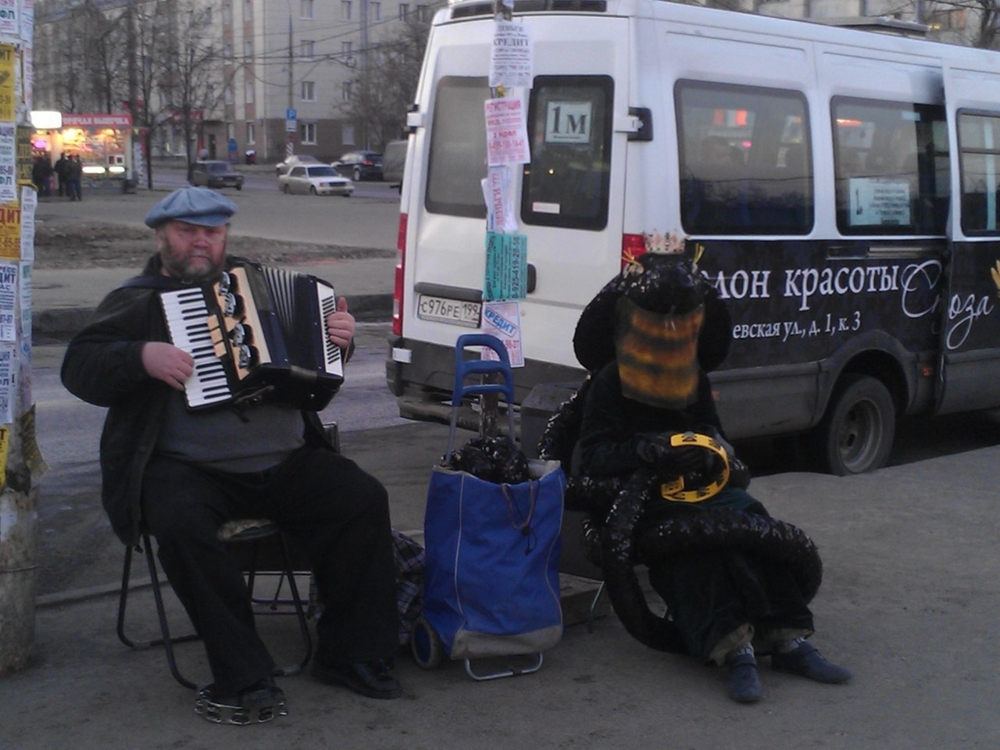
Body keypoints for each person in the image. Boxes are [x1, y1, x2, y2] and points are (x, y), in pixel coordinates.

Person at [61, 187, 402, 724]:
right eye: (188, 231)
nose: (201, 241)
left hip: (287, 461)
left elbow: (318, 375)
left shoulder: (264, 287)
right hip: (190, 470)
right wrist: (139, 355)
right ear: (162, 237)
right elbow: (79, 367)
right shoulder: (138, 300)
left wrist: (341, 338)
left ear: (225, 237)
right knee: (178, 523)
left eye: (213, 232)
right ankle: (243, 675)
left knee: (361, 499)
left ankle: (350, 653)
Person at [571, 243, 851, 704]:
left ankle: (788, 639)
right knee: (696, 549)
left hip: (703, 488)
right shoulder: (608, 383)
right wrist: (644, 451)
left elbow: (713, 432)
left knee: (752, 522)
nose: (672, 330)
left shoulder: (693, 375)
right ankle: (733, 649)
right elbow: (594, 457)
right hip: (643, 499)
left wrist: (712, 449)